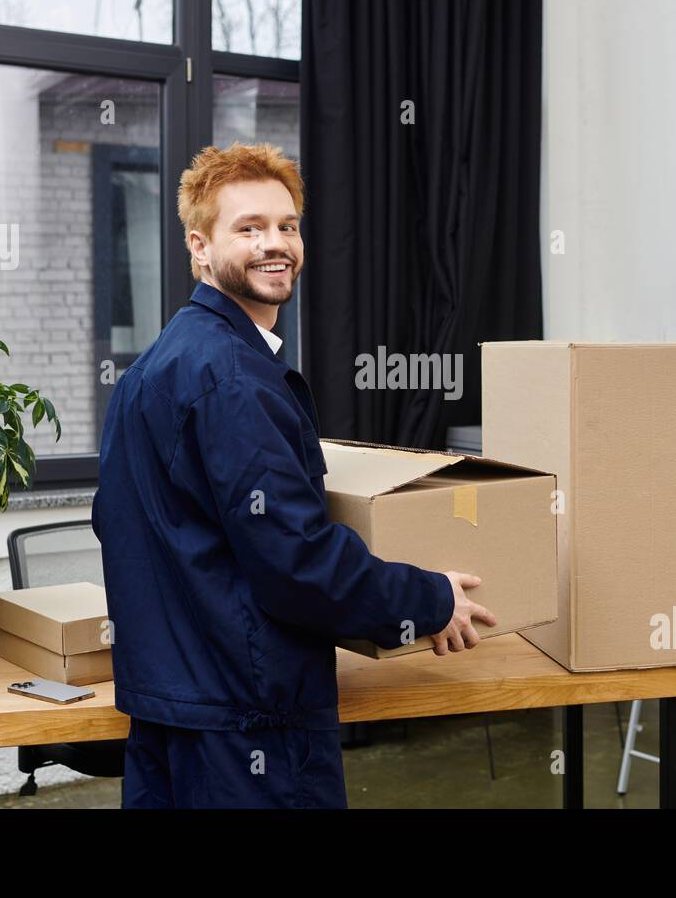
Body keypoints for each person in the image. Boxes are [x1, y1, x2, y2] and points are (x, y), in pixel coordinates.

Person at [92, 142, 497, 808]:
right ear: (199, 246)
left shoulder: (160, 363)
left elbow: (121, 523)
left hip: (173, 715)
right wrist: (431, 599)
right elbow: (297, 566)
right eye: (247, 228)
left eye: (287, 225)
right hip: (247, 730)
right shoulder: (232, 380)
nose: (274, 243)